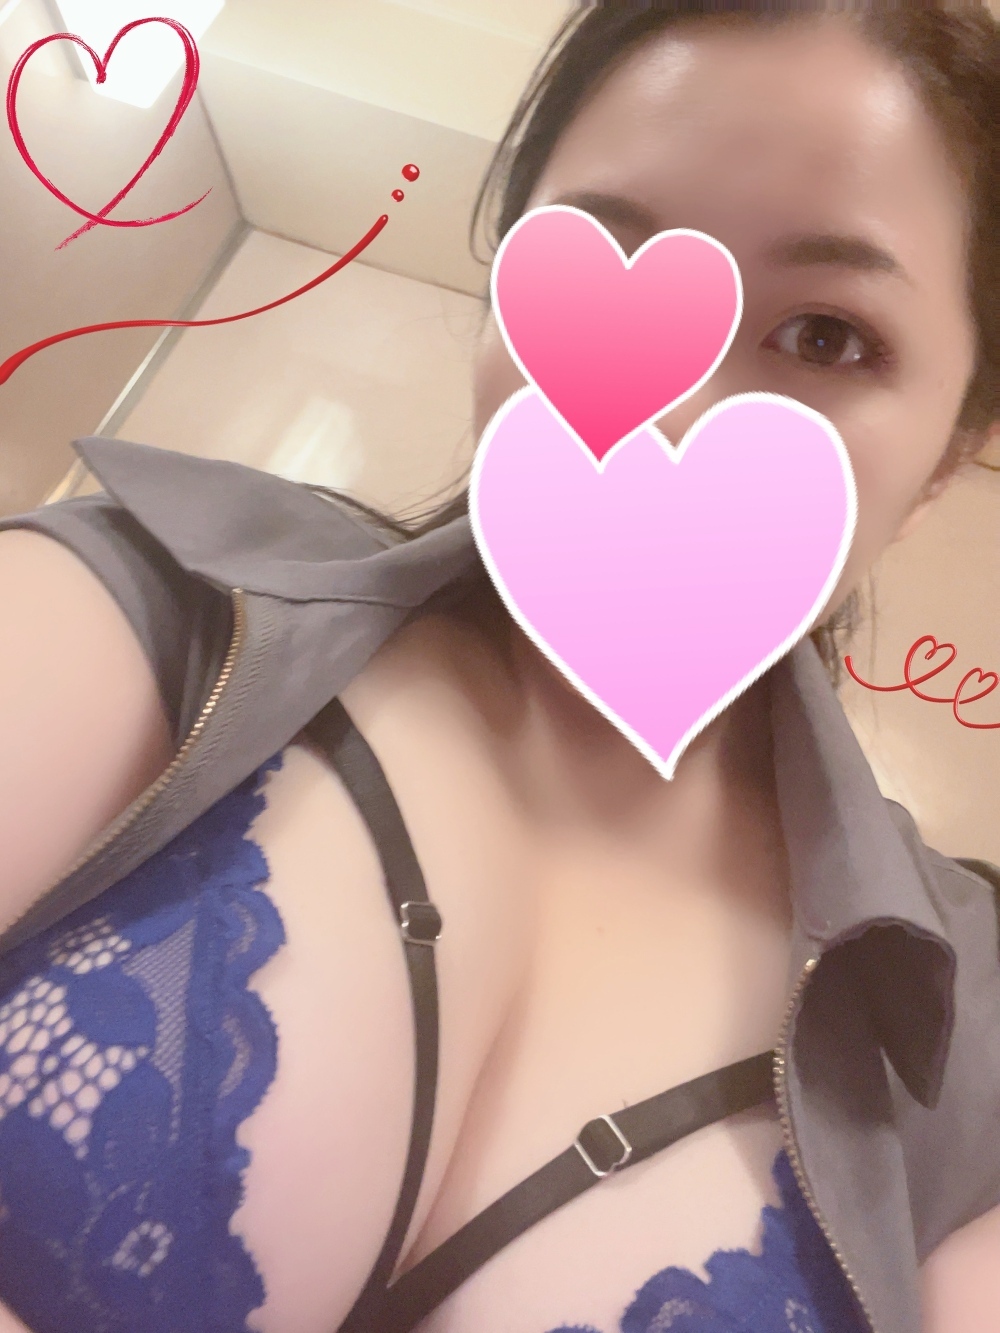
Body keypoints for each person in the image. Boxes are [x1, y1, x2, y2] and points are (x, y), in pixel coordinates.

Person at [0, 3, 997, 1331]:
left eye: (827, 337)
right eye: (605, 258)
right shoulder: (142, 598)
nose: (672, 411)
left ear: (944, 458)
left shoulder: (976, 1042)